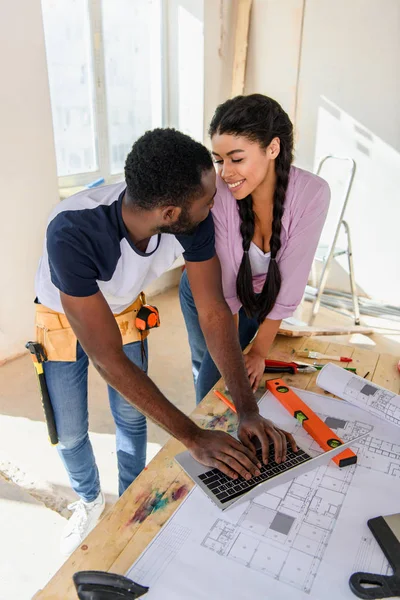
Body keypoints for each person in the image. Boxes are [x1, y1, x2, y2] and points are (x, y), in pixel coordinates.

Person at [34, 128, 295, 555]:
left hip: (122, 307)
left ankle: (130, 498)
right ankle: (88, 500)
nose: (216, 203)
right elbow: (107, 360)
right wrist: (193, 436)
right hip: (61, 315)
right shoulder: (72, 231)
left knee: (133, 419)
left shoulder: (189, 217)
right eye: (208, 200)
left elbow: (213, 312)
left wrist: (248, 409)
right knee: (71, 430)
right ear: (171, 213)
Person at [179, 94, 330, 403]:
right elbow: (226, 291)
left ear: (272, 148)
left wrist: (260, 350)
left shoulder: (312, 194)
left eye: (236, 159)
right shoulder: (219, 192)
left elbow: (290, 280)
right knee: (208, 375)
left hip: (258, 296)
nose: (224, 173)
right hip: (207, 294)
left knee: (235, 369)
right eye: (219, 160)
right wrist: (232, 360)